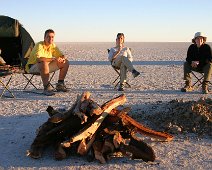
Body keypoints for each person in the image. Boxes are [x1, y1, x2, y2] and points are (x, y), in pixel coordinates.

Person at [25, 29, 69, 96]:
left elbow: (61, 55)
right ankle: (46, 88)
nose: (50, 38)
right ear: (44, 38)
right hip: (33, 67)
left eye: (52, 37)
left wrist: (62, 58)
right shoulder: (39, 45)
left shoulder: (53, 46)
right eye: (48, 37)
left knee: (65, 62)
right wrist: (53, 59)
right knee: (44, 62)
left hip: (46, 67)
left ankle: (60, 85)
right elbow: (39, 59)